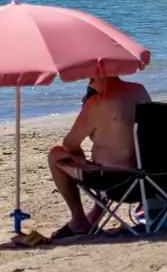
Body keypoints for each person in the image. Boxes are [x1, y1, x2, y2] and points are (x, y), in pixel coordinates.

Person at [47, 73, 153, 238]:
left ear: (100, 75)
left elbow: (69, 144)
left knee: (56, 154)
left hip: (115, 184)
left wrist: (80, 157)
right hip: (151, 179)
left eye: (91, 76)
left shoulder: (96, 103)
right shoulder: (139, 91)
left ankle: (79, 220)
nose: (89, 80)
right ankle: (97, 209)